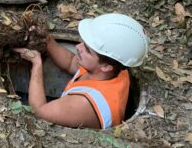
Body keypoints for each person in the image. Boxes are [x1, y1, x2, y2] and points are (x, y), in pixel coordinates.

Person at [14, 13, 148, 130]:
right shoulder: (114, 66)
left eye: (87, 50)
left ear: (106, 66)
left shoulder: (83, 104)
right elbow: (71, 62)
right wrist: (47, 40)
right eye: (84, 43)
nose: (78, 47)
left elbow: (38, 112)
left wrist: (36, 64)